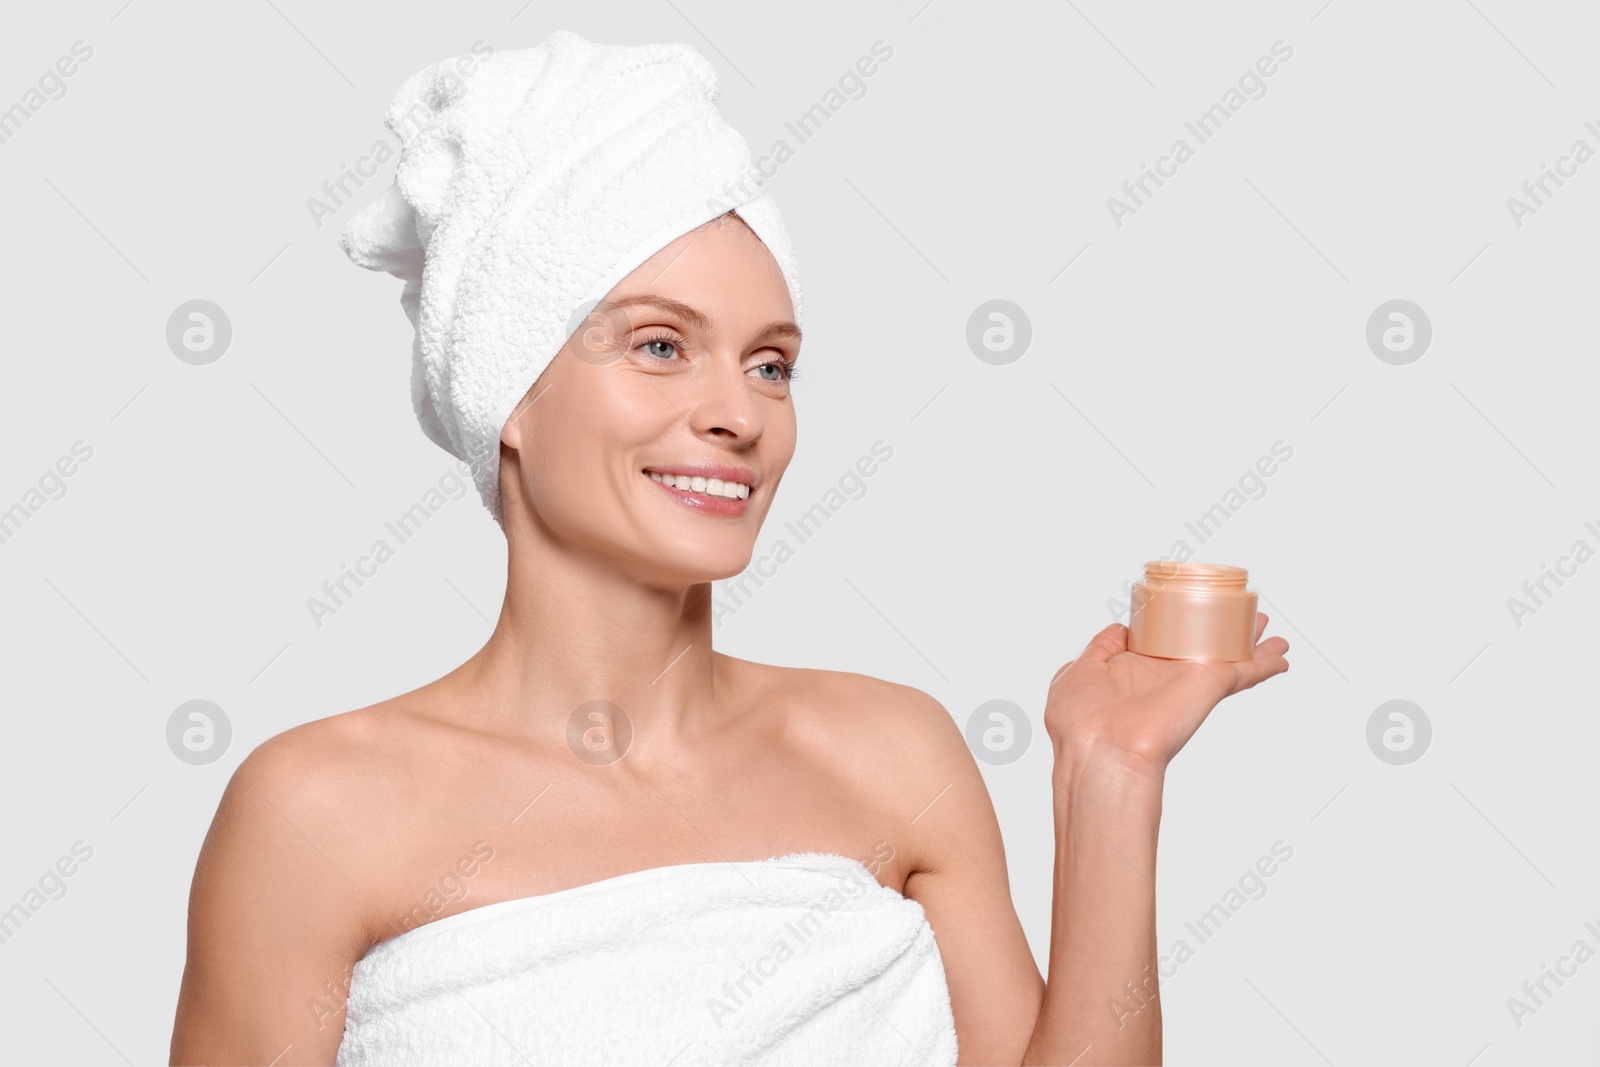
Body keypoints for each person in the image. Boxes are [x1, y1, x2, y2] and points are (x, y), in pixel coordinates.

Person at [169, 32, 1288, 1067]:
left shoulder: (891, 751)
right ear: (506, 389)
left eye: (770, 362)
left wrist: (1111, 773)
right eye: (660, 345)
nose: (739, 413)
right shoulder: (318, 809)